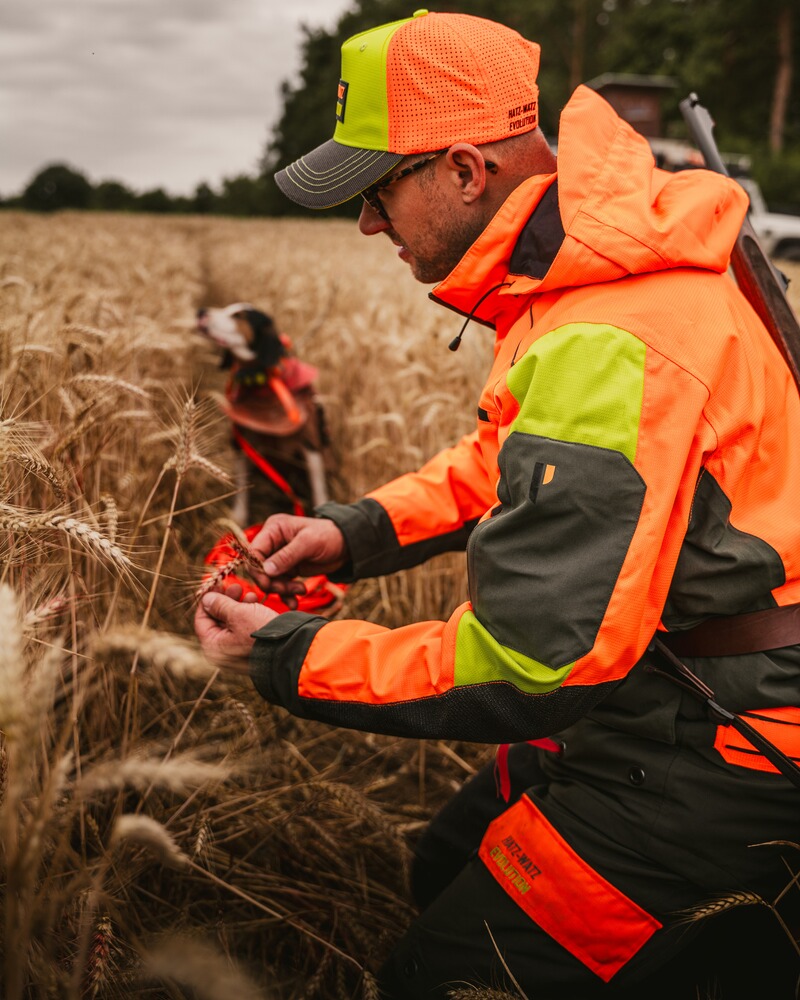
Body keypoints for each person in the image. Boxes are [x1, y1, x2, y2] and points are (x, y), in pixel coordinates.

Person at [194, 10, 800, 998]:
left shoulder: (610, 325)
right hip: (667, 679)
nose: (364, 224)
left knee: (441, 976)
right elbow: (511, 462)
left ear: (466, 170)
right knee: (446, 857)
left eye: (376, 191)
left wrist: (282, 651)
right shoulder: (586, 266)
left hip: (728, 737)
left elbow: (533, 660)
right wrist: (352, 532)